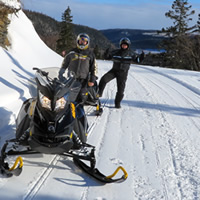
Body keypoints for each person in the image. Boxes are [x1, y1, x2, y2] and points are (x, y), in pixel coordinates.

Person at [98, 37, 144, 108]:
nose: (124, 46)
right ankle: (99, 93)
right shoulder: (116, 52)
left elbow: (137, 60)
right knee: (103, 79)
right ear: (120, 45)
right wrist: (106, 53)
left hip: (123, 73)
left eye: (125, 45)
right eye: (123, 45)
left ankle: (117, 103)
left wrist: (141, 57)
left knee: (120, 90)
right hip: (114, 71)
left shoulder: (131, 53)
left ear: (128, 45)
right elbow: (107, 57)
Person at [59, 33, 98, 103]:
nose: (82, 43)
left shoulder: (90, 54)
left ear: (87, 43)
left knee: (81, 97)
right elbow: (64, 64)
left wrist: (92, 79)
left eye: (84, 42)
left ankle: (80, 110)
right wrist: (61, 73)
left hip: (84, 79)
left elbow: (94, 68)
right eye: (80, 41)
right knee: (68, 96)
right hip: (71, 78)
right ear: (77, 41)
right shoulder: (72, 52)